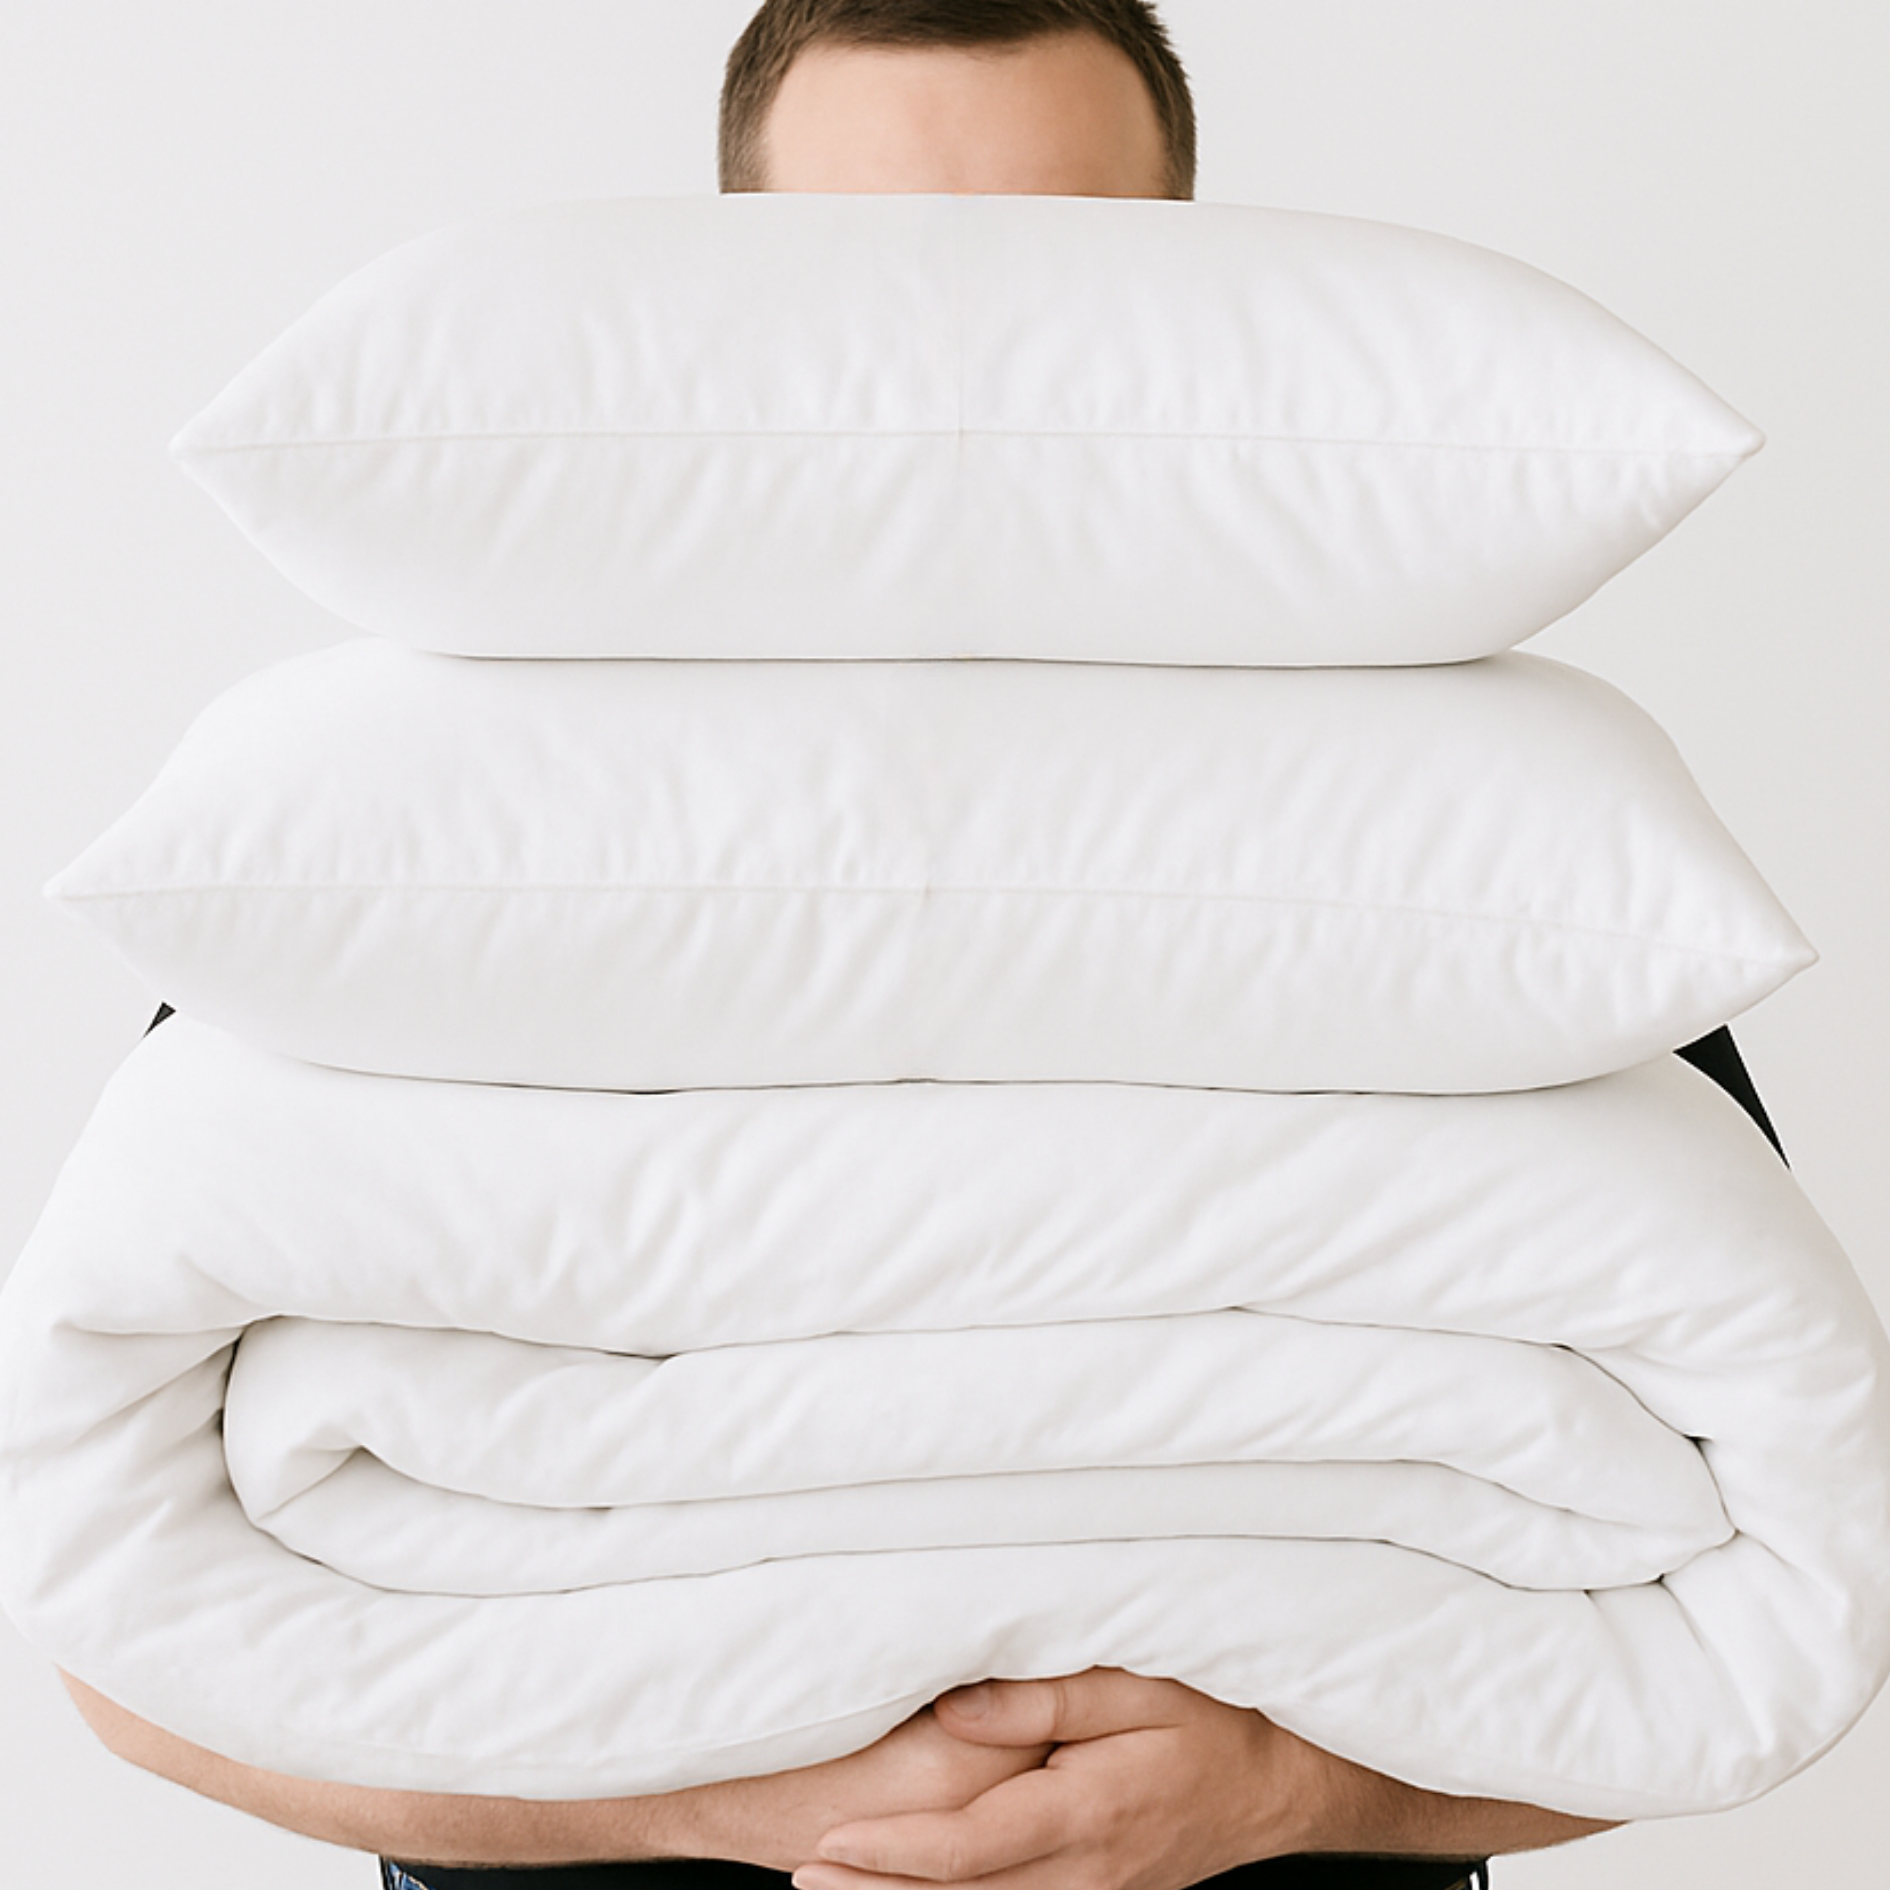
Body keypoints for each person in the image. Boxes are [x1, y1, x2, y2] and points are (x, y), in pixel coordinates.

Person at [57, 4, 1787, 1887]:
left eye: (1054, 269)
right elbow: (120, 1624)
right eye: (866, 272)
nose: (953, 353)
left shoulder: (1453, 830)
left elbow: (1752, 1593)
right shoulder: (443, 810)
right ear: (726, 283)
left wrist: (1304, 1793)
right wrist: (712, 1792)